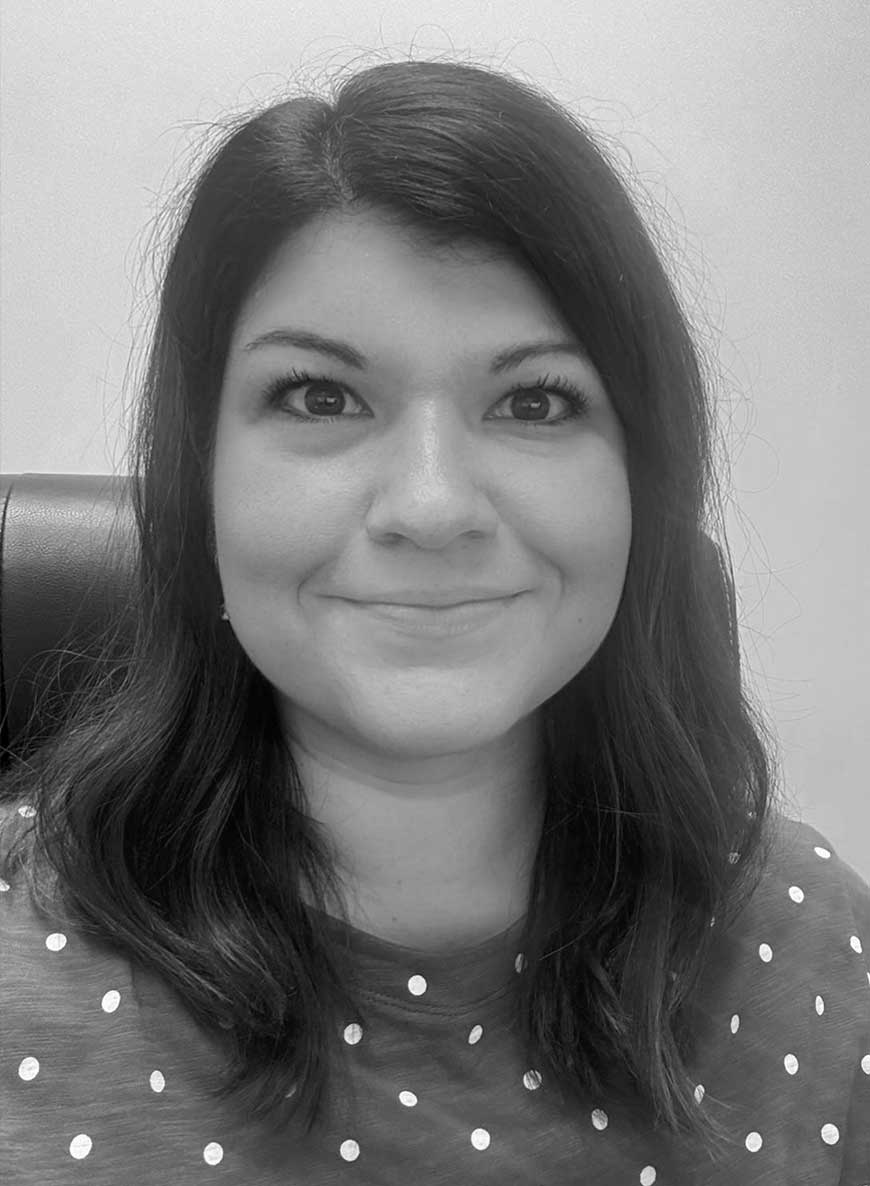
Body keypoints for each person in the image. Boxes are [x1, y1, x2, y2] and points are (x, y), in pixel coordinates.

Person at [1, 56, 868, 1185]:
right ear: (201, 475)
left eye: (533, 401)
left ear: (641, 484)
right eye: (321, 396)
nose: (431, 506)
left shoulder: (813, 955)